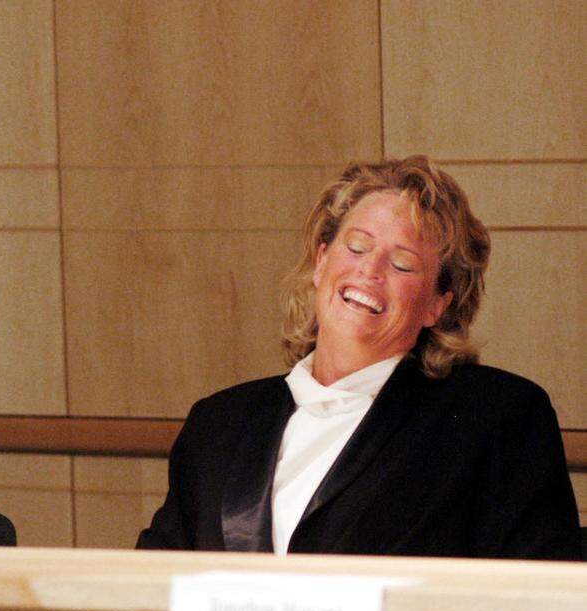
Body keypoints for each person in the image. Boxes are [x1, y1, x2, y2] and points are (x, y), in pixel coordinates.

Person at [137, 156, 580, 560]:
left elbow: (539, 603)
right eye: (357, 246)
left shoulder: (498, 418)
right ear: (321, 260)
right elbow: (149, 589)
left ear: (437, 304)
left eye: (403, 264)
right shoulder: (218, 424)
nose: (370, 271)